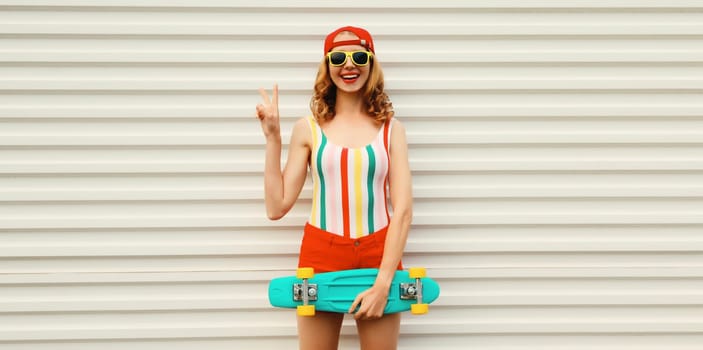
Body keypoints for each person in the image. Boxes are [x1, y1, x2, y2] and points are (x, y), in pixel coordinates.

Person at [256, 25, 413, 350]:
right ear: (327, 65)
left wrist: (384, 282)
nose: (349, 64)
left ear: (371, 63)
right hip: (320, 253)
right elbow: (276, 207)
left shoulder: (392, 130)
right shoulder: (308, 129)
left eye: (359, 56)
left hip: (378, 254)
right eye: (338, 57)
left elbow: (404, 211)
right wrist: (273, 138)